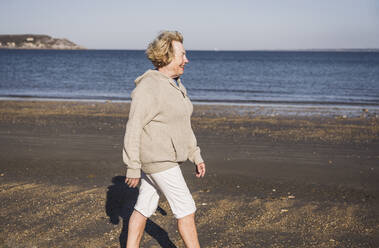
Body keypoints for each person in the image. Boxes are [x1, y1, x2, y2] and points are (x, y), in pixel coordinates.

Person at [122, 30, 206, 248]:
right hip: (158, 159)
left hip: (165, 158)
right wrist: (132, 165)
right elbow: (133, 127)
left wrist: (195, 155)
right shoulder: (149, 87)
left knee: (144, 206)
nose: (186, 60)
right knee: (186, 209)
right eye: (182, 55)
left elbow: (183, 125)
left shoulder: (177, 85)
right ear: (166, 56)